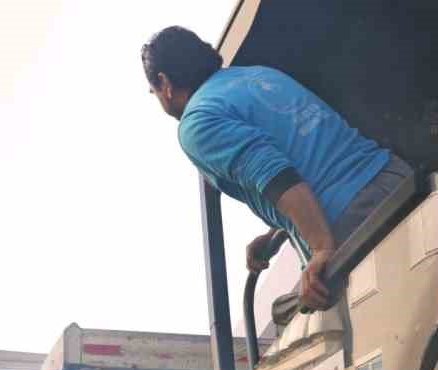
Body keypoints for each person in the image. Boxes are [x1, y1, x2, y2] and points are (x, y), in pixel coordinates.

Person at [141, 26, 414, 317]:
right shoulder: (258, 76)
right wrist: (277, 235)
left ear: (164, 82)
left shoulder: (196, 122)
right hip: (396, 178)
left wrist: (322, 248)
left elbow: (276, 175)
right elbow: (310, 157)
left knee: (295, 314)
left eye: (153, 90)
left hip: (353, 220)